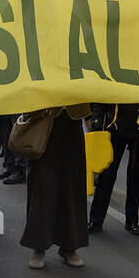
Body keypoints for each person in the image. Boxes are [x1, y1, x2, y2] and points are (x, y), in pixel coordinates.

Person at [20, 110, 89, 268]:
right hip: (44, 117)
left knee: (72, 185)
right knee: (42, 186)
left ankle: (69, 246)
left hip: (73, 118)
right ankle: (38, 247)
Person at [87, 103, 139, 236]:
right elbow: (102, 97)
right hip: (114, 128)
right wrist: (96, 123)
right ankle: (96, 220)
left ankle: (132, 221)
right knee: (106, 177)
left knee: (136, 180)